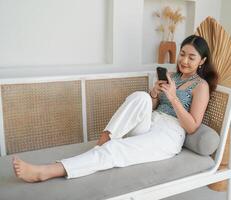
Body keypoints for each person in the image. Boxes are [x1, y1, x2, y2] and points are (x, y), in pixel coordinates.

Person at [12, 35, 218, 183]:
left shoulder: (201, 86)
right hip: (151, 120)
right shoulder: (171, 77)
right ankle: (106, 136)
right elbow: (150, 105)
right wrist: (155, 94)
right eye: (182, 54)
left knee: (116, 149)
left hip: (169, 133)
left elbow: (192, 127)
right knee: (141, 97)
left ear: (202, 61)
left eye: (191, 57)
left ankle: (48, 171)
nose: (184, 60)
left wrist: (173, 98)